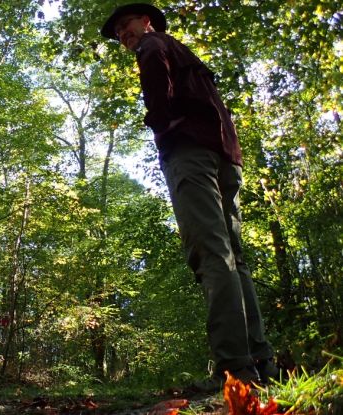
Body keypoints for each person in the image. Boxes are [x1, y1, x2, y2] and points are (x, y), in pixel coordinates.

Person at [100, 3, 277, 385]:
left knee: (212, 253)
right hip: (227, 156)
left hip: (190, 154)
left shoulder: (152, 45)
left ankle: (235, 370)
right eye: (117, 33)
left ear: (145, 22)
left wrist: (159, 121)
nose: (122, 34)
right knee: (234, 257)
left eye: (125, 25)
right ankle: (262, 363)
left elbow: (157, 91)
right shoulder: (184, 52)